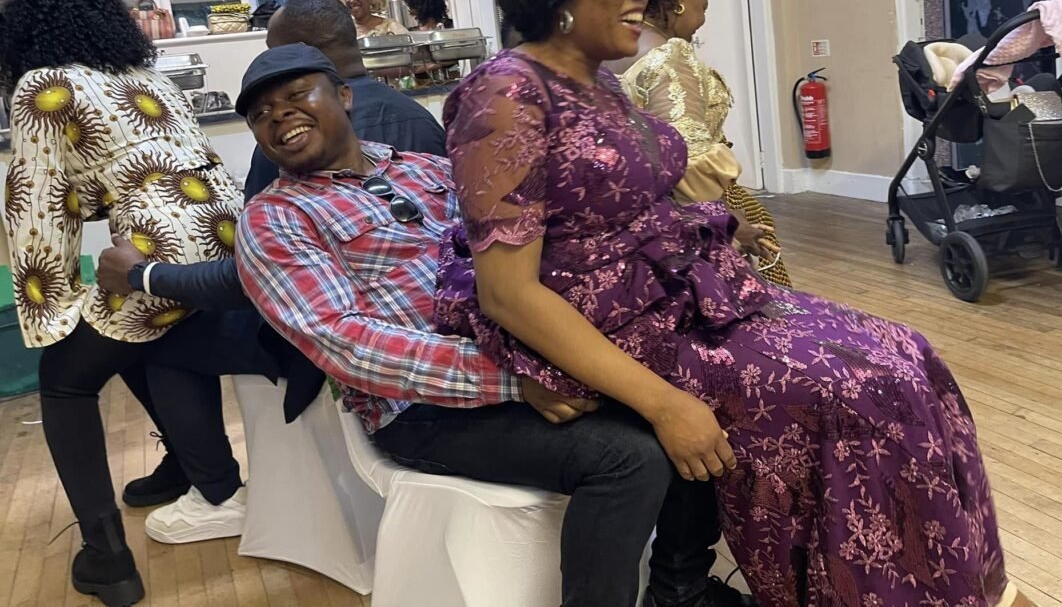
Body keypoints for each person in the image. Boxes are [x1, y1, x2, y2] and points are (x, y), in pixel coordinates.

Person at [432, 0, 1026, 607]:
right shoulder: (505, 95)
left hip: (683, 297)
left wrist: (715, 224)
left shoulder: (602, 84)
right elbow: (507, 292)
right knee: (857, 393)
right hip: (611, 327)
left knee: (906, 355)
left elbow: (620, 207)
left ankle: (946, 588)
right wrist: (665, 405)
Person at [232, 44, 754, 607]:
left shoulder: (428, 168)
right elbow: (348, 343)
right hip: (424, 408)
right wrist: (515, 380)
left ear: (344, 95)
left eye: (295, 95)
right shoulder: (273, 219)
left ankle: (680, 591)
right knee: (628, 458)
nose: (279, 116)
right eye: (261, 114)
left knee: (692, 396)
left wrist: (695, 228)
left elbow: (558, 229)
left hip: (529, 352)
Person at [95, 0, 448, 545]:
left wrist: (145, 276)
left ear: (311, 70)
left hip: (345, 350)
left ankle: (216, 495)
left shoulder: (292, 146)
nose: (279, 114)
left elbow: (255, 279)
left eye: (287, 87)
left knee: (166, 345)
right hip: (426, 328)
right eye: (263, 111)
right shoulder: (418, 128)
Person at [0, 0, 243, 606]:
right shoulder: (149, 79)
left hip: (160, 247)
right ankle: (185, 465)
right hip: (225, 236)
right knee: (127, 337)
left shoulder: (42, 87)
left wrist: (49, 309)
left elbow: (38, 206)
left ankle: (106, 557)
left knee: (66, 378)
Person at [620, 0, 791, 288]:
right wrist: (727, 222)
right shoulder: (669, 54)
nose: (702, 20)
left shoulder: (614, 49)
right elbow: (688, 157)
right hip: (693, 215)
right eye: (704, 7)